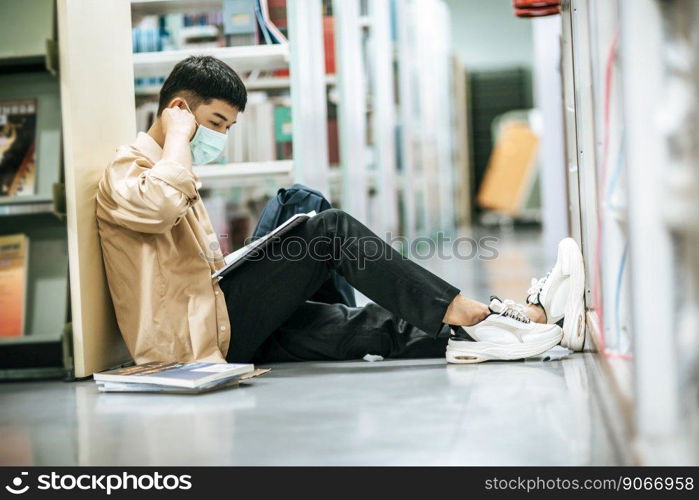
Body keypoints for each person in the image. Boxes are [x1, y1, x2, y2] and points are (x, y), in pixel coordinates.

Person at [95, 56, 585, 367]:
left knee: (353, 312)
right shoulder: (128, 167)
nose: (220, 137)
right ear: (178, 108)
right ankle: (474, 311)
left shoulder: (169, 167)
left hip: (217, 315)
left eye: (229, 126)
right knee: (328, 232)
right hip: (192, 341)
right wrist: (178, 137)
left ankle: (492, 333)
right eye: (214, 122)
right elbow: (158, 208)